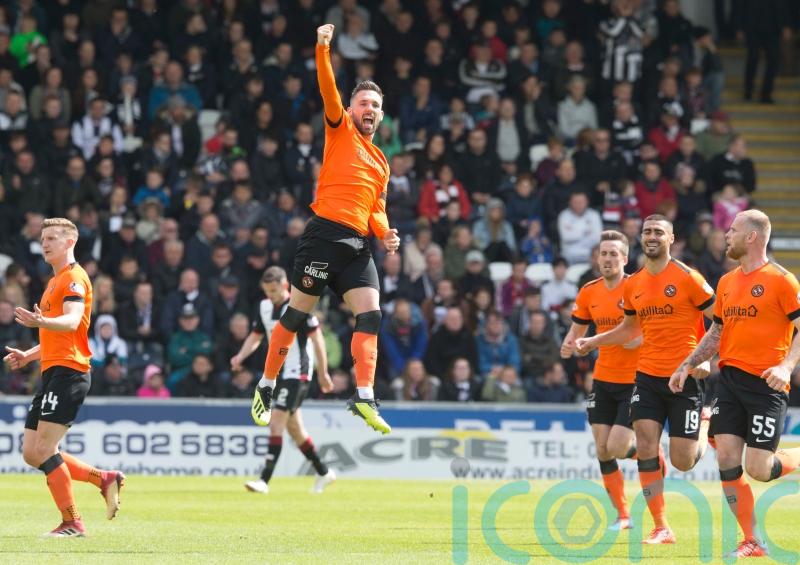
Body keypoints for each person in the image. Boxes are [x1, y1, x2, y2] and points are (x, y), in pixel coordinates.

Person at [250, 23, 400, 435]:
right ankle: (266, 384)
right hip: (324, 236)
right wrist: (322, 47)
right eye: (363, 102)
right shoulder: (341, 130)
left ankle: (364, 397)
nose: (369, 108)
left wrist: (385, 233)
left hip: (358, 246)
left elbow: (378, 210)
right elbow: (328, 88)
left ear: (382, 114)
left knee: (370, 314)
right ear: (352, 109)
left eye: (375, 104)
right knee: (296, 315)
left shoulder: (383, 162)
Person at [576, 214, 715, 545]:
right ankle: (661, 526)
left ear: (671, 238)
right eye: (647, 231)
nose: (651, 236)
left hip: (684, 375)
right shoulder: (634, 283)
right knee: (647, 446)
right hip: (646, 377)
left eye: (658, 232)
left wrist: (703, 358)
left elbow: (720, 321)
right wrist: (591, 341)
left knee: (682, 460)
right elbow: (629, 328)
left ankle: (706, 423)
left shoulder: (689, 278)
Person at [669, 210, 800, 558]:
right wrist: (687, 364)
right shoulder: (726, 282)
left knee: (759, 468)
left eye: (733, 229)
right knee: (727, 458)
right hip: (728, 381)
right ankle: (751, 539)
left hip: (766, 385)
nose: (726, 235)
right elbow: (716, 332)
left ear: (752, 237)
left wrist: (787, 367)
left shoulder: (783, 281)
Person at [3, 218, 124, 537]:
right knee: (32, 452)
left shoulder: (73, 279)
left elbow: (71, 322)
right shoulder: (54, 281)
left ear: (70, 242)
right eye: (43, 238)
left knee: (44, 449)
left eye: (53, 238)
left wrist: (42, 320)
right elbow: (57, 335)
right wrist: (29, 355)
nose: (45, 243)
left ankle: (72, 522)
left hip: (70, 372)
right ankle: (103, 478)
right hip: (54, 370)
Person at [561, 230, 640, 530]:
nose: (607, 259)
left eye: (613, 254)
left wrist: (598, 341)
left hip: (635, 380)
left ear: (624, 258)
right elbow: (577, 328)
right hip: (603, 378)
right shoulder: (589, 291)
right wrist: (569, 344)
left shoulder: (636, 288)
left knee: (618, 447)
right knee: (602, 448)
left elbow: (636, 338)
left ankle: (647, 452)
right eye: (603, 253)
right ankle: (623, 516)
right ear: (597, 257)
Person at [232, 266, 336, 494]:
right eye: (268, 291)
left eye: (275, 290)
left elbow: (317, 340)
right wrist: (241, 355)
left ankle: (264, 480)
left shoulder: (300, 305)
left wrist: (323, 372)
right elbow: (256, 336)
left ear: (285, 285)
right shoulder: (264, 307)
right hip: (277, 374)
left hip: (298, 372)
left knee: (276, 422)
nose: (272, 295)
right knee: (295, 430)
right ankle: (324, 472)